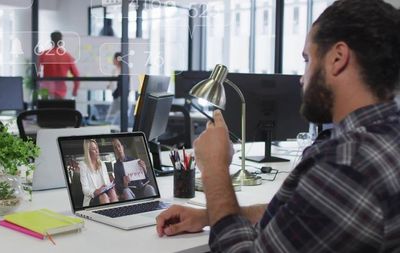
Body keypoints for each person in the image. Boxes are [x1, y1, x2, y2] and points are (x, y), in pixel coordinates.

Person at [156, 0, 400, 252]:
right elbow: (300, 218)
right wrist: (210, 216)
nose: (302, 78)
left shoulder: (347, 164)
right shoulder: (385, 139)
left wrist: (215, 169)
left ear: (337, 58)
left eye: (307, 60)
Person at [39, 31, 80, 99]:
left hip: (46, 89)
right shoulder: (67, 56)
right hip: (60, 90)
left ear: (51, 41)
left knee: (45, 109)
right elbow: (76, 75)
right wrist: (75, 90)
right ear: (61, 41)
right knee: (59, 109)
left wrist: (37, 86)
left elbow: (36, 72)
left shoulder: (43, 55)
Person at [79, 139, 118, 207]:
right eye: (93, 149)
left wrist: (109, 186)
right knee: (104, 196)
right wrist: (96, 191)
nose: (97, 151)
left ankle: (117, 213)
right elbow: (85, 190)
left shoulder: (102, 164)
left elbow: (107, 183)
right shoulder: (83, 165)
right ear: (88, 152)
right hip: (92, 197)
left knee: (112, 192)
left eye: (97, 148)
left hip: (104, 192)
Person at [105, 52, 122, 125]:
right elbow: (112, 82)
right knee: (113, 116)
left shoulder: (123, 70)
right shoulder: (115, 70)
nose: (113, 61)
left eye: (114, 59)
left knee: (110, 117)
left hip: (119, 96)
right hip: (116, 95)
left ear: (118, 59)